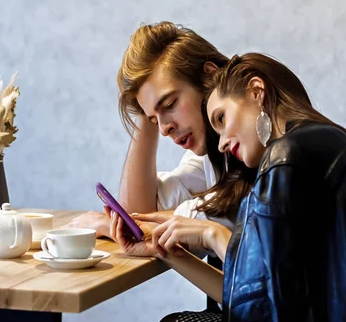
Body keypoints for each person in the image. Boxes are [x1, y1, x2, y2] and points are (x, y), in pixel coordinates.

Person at [112, 53, 346, 322]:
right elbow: (256, 302)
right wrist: (167, 251)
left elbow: (269, 303)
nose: (220, 143)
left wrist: (214, 235)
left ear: (256, 92)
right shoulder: (322, 146)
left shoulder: (287, 158)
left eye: (222, 119)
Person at [64, 22, 252, 239]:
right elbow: (141, 211)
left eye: (170, 104)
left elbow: (197, 224)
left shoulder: (251, 150)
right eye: (154, 120)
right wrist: (145, 110)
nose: (164, 129)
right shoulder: (212, 154)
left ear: (210, 76)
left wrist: (110, 227)